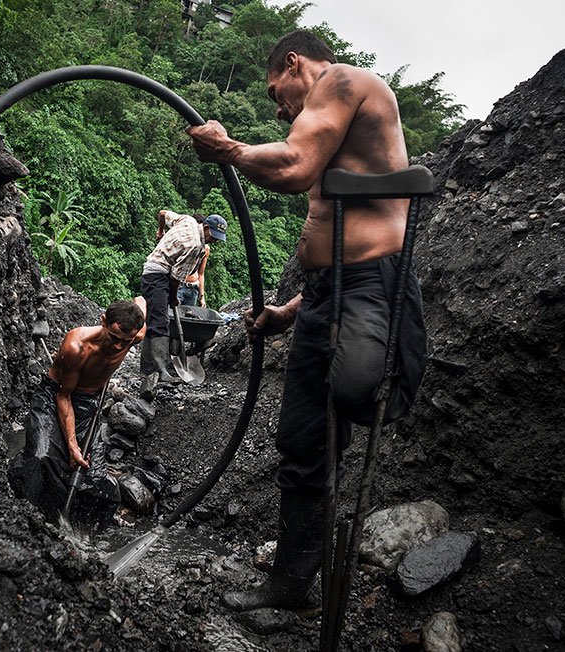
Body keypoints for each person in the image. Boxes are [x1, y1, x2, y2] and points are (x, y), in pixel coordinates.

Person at [188, 29, 427, 611]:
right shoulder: (332, 118)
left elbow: (294, 167)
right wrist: (289, 312)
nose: (279, 106)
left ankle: (395, 369)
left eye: (277, 90)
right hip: (326, 295)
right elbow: (328, 246)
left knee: (356, 388)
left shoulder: (345, 82)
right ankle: (292, 586)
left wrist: (231, 150)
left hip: (373, 288)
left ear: (294, 63)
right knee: (300, 444)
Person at [8, 298, 147, 530]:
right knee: (42, 459)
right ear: (103, 321)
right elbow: (64, 397)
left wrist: (141, 301)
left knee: (95, 479)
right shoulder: (77, 346)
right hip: (54, 398)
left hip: (88, 404)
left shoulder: (135, 334)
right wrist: (73, 447)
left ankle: (80, 532)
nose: (117, 347)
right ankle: (29, 521)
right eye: (114, 338)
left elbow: (143, 303)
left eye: (126, 342)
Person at [139, 209, 226, 396]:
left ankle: (146, 368)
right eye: (214, 235)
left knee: (153, 320)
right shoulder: (196, 246)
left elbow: (162, 213)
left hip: (151, 271)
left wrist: (160, 231)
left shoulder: (186, 220)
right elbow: (176, 277)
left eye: (218, 238)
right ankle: (162, 372)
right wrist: (173, 297)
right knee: (161, 322)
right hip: (159, 275)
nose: (215, 240)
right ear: (205, 227)